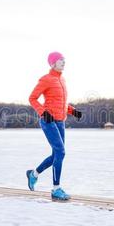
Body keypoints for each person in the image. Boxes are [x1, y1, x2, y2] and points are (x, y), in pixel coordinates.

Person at [27, 51, 82, 201]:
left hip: (60, 121)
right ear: (52, 63)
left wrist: (72, 111)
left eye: (64, 59)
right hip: (48, 121)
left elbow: (60, 102)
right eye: (60, 60)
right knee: (61, 152)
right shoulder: (46, 79)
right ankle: (56, 189)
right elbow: (32, 98)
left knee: (56, 155)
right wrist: (43, 113)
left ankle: (33, 174)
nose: (64, 62)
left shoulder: (62, 80)